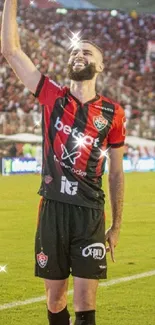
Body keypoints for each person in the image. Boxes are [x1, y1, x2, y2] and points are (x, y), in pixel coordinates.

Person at [1, 1, 125, 324]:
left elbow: (115, 172)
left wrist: (117, 224)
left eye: (86, 52)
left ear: (100, 65)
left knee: (86, 305)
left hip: (89, 214)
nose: (78, 55)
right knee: (55, 303)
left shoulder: (113, 113)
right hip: (53, 209)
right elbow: (12, 51)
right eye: (74, 52)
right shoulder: (51, 96)